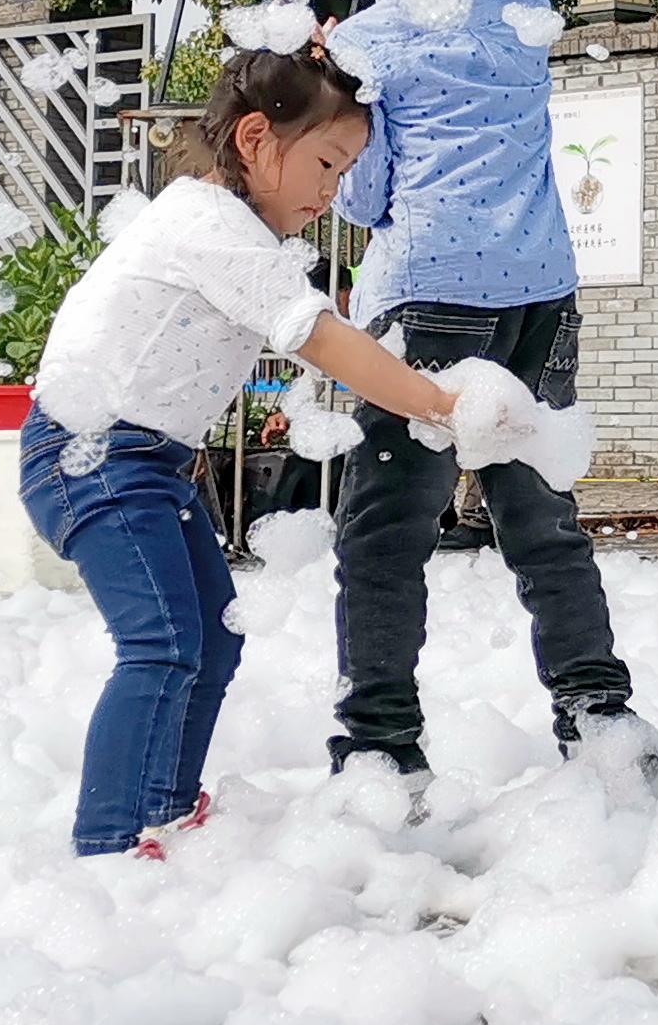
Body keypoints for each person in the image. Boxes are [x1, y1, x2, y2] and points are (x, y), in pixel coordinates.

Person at [323, 0, 658, 788]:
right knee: (539, 514)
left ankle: (379, 746)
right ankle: (599, 713)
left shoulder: (365, 42)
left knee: (385, 530)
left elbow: (367, 190)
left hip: (425, 303)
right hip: (538, 296)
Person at [23, 46, 460, 858]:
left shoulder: (231, 229)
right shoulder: (209, 223)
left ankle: (168, 805)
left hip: (146, 464)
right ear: (257, 139)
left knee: (214, 636)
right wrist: (439, 405)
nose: (333, 190)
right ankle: (112, 841)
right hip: (91, 453)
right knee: (161, 643)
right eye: (327, 162)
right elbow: (321, 339)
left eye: (346, 170)